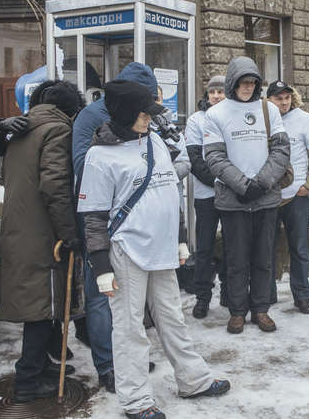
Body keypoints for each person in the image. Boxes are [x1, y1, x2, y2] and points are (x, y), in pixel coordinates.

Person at [79, 80, 230, 419]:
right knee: (130, 328)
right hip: (126, 251)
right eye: (143, 113)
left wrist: (178, 238)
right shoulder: (99, 157)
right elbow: (94, 217)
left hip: (161, 248)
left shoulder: (157, 143)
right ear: (124, 114)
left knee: (172, 318)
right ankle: (135, 400)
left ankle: (193, 379)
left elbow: (169, 193)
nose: (149, 118)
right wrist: (101, 267)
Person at [70, 62, 164, 391]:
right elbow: (83, 165)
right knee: (101, 293)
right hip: (102, 217)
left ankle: (127, 361)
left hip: (134, 220)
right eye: (146, 98)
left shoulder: (140, 116)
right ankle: (108, 366)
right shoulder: (92, 116)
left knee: (128, 296)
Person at [0, 80, 85, 403]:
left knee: (44, 304)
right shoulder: (57, 131)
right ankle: (27, 379)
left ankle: (44, 366)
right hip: (42, 234)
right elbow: (55, 186)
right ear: (69, 110)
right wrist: (69, 233)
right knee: (42, 306)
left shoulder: (24, 128)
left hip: (21, 229)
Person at [203, 56, 290, 334]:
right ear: (232, 82)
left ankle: (261, 309)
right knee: (236, 259)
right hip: (234, 200)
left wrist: (261, 183)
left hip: (265, 197)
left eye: (252, 82)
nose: (247, 87)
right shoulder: (216, 114)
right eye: (242, 82)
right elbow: (214, 157)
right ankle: (237, 311)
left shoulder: (269, 111)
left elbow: (281, 151)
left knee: (264, 258)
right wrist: (242, 185)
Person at [266, 80, 309, 314]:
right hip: (269, 196)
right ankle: (267, 294)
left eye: (286, 98)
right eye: (278, 98)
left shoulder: (304, 120)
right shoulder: (263, 119)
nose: (283, 102)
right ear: (269, 100)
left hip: (297, 196)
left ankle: (302, 295)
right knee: (266, 249)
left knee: (299, 249)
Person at [186, 75, 228, 319]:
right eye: (212, 92)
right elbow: (194, 157)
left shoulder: (232, 117)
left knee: (232, 245)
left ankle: (228, 290)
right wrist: (215, 180)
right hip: (205, 194)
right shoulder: (196, 120)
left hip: (231, 193)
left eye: (220, 92)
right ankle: (203, 296)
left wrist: (230, 182)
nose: (216, 96)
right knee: (204, 247)